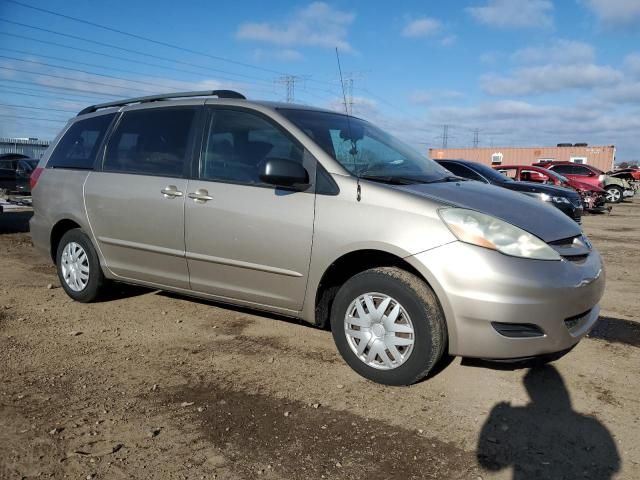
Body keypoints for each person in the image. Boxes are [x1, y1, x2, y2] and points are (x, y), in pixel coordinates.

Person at [477, 366, 620, 479]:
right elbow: (612, 465)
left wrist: (493, 416)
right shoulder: (592, 426)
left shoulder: (590, 426)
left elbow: (490, 465)